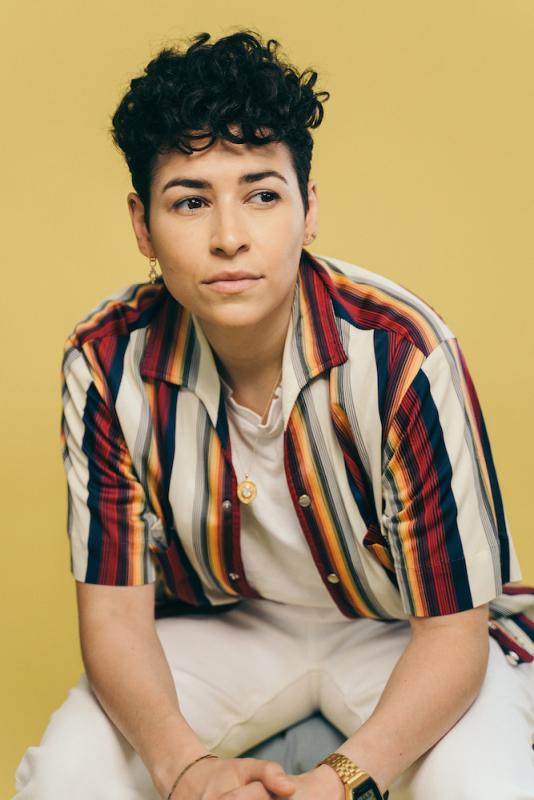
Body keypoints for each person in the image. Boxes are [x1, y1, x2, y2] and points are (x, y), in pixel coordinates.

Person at [14, 27, 534, 800]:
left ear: (309, 207)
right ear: (140, 225)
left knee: (486, 787)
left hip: (405, 632)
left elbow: (452, 634)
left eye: (262, 194)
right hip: (230, 629)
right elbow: (117, 619)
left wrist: (344, 778)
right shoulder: (104, 361)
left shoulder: (403, 356)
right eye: (190, 202)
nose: (229, 237)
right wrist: (183, 766)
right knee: (64, 778)